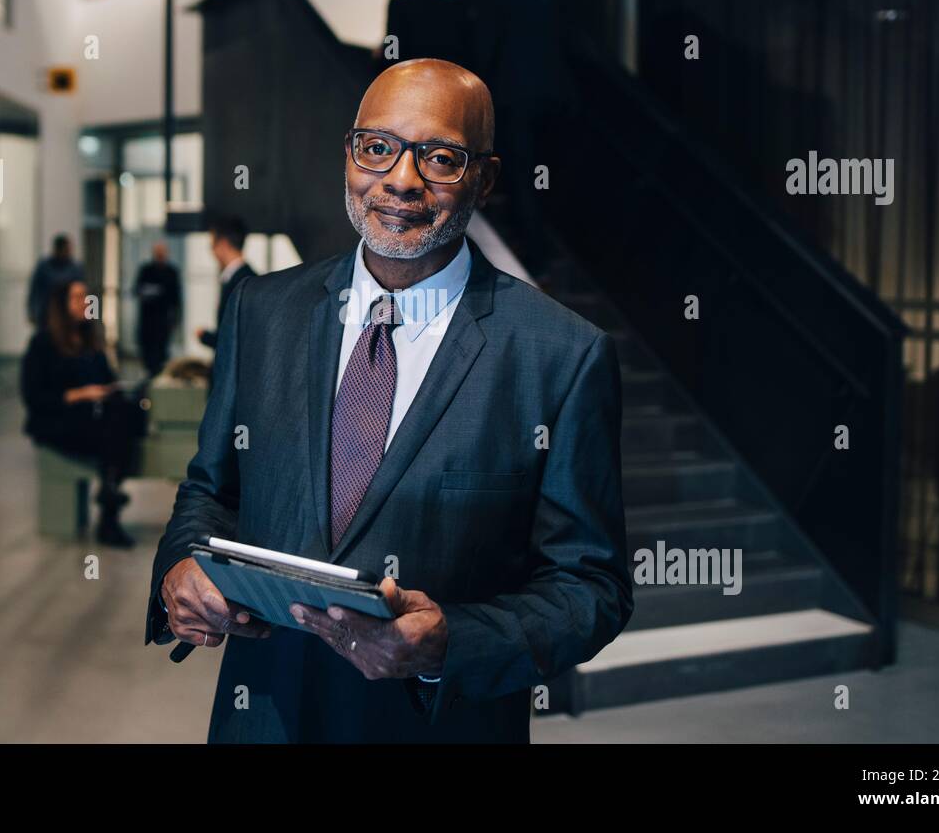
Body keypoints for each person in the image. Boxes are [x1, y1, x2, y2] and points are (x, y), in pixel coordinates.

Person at [145, 58, 632, 743]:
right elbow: (209, 489)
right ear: (350, 155)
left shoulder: (560, 355)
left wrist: (450, 642)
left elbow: (592, 588)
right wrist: (180, 567)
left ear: (484, 180)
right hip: (265, 717)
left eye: (440, 157)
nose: (400, 180)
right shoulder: (262, 311)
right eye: (377, 148)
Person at [465, 0, 571, 281]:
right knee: (544, 173)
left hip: (512, 98)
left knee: (520, 173)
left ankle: (532, 250)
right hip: (552, 97)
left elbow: (487, 45)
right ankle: (543, 242)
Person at [20, 279, 146, 548]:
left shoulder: (90, 341)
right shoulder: (43, 343)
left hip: (90, 420)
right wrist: (81, 393)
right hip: (56, 422)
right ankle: (109, 503)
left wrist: (107, 389)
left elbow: (107, 381)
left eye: (85, 297)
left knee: (124, 411)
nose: (84, 302)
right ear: (62, 305)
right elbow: (33, 396)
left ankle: (109, 496)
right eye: (77, 297)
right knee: (115, 428)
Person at [195, 215, 254, 354]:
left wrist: (205, 337)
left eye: (212, 245)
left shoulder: (241, 282)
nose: (212, 251)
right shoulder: (247, 278)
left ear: (223, 244)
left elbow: (236, 337)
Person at [133, 242, 182, 377]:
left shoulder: (172, 272)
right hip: (148, 321)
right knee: (148, 355)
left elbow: (176, 298)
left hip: (163, 321)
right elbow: (137, 290)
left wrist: (176, 319)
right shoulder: (146, 270)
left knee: (161, 354)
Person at [27, 234, 85, 327]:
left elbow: (82, 292)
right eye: (66, 249)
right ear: (58, 250)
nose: (68, 252)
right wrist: (32, 312)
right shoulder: (44, 267)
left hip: (68, 315)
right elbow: (34, 291)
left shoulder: (75, 268)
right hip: (46, 315)